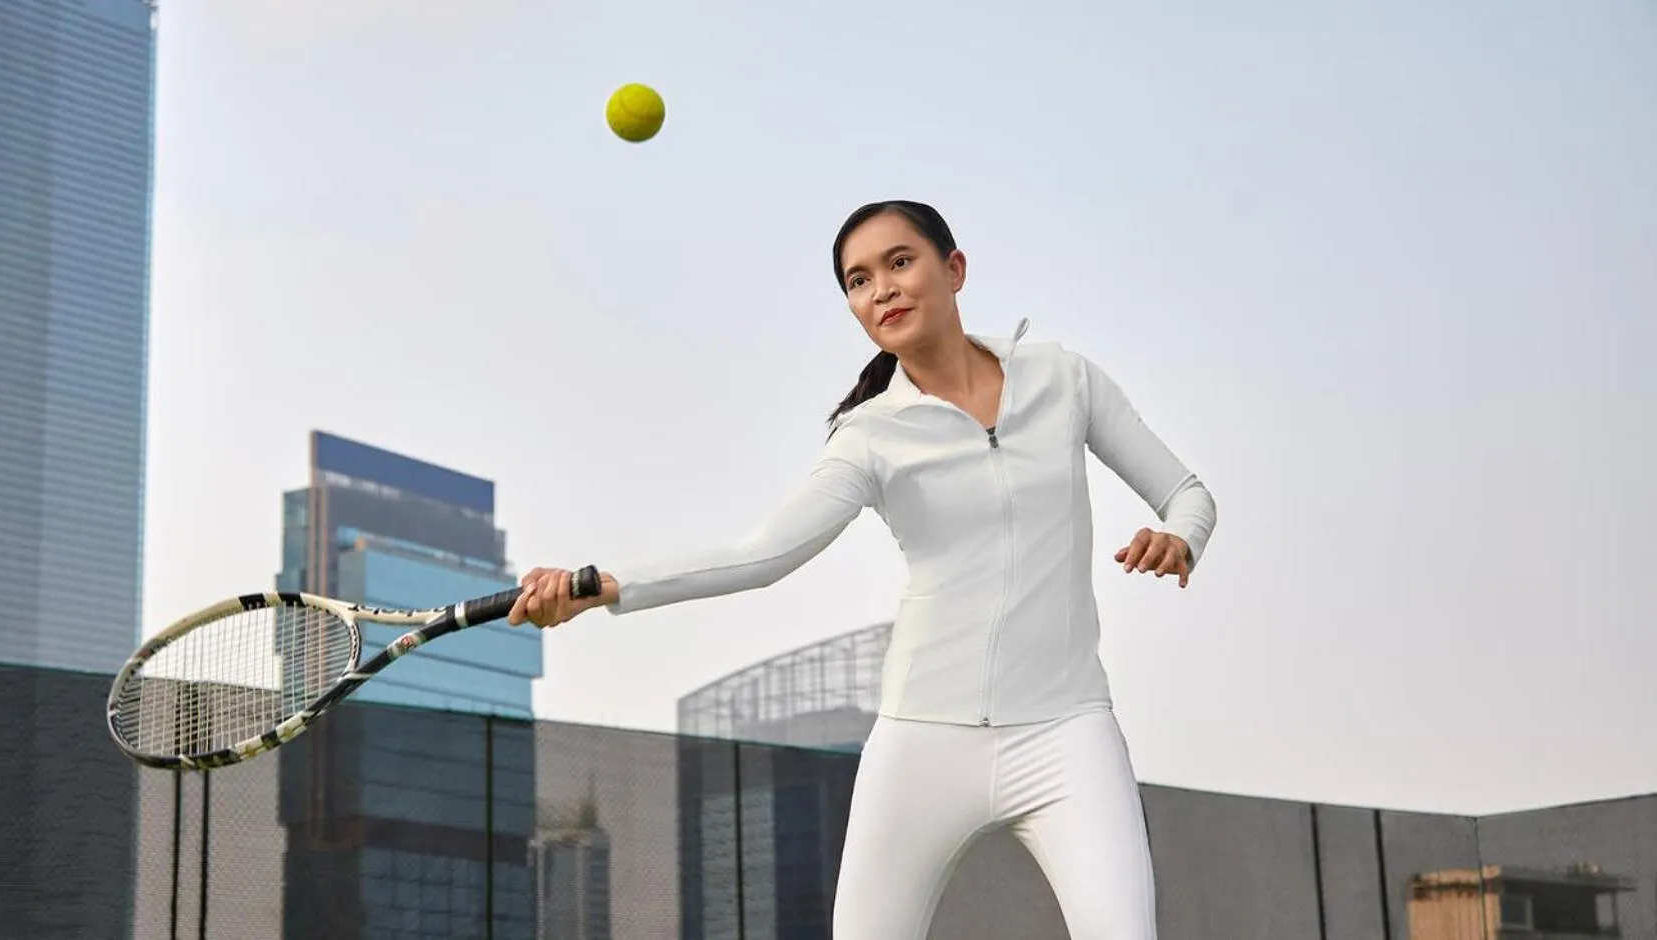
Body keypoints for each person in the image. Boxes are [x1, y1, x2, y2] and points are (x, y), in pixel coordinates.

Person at [509, 199, 1216, 939]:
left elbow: (1189, 495)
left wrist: (1181, 540)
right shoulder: (869, 436)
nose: (881, 289)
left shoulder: (1063, 377)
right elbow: (763, 554)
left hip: (1069, 732)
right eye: (858, 280)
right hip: (922, 741)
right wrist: (600, 587)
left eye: (899, 262)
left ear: (954, 269)